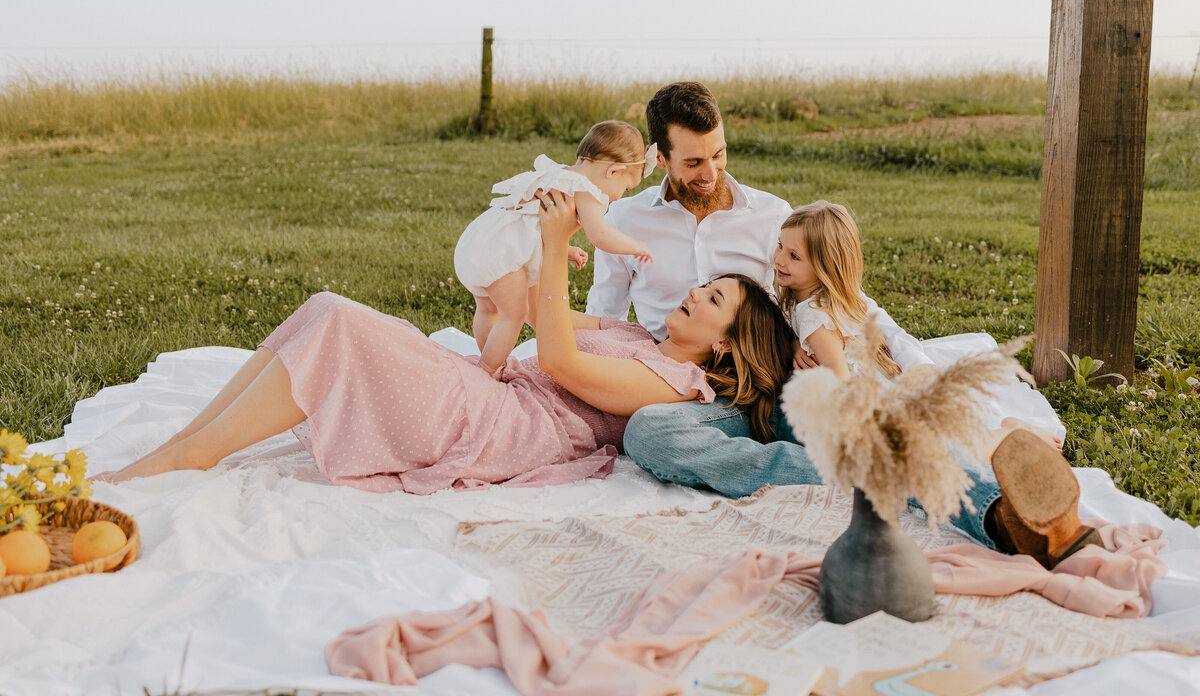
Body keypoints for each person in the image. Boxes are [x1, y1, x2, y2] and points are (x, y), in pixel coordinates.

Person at [589, 81, 1098, 568]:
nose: (711, 172)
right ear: (660, 157)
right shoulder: (626, 220)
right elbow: (605, 314)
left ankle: (1005, 518)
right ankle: (850, 467)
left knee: (871, 423)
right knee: (647, 433)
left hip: (775, 374)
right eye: (694, 162)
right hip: (691, 387)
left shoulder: (770, 215)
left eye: (719, 154)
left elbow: (818, 292)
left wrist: (801, 346)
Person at [100, 189, 797, 496]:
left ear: (726, 349)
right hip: (487, 387)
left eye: (711, 301)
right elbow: (532, 320)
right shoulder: (629, 333)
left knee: (341, 322)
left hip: (501, 426)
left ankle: (193, 454)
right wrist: (508, 276)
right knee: (322, 307)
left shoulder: (673, 389)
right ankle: (187, 445)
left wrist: (556, 251)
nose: (691, 293)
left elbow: (556, 359)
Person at [455, 120, 656, 377]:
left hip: (479, 243)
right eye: (626, 189)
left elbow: (534, 225)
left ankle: (486, 360)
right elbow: (600, 235)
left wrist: (567, 249)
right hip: (504, 257)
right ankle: (487, 370)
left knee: (487, 309)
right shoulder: (587, 191)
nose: (620, 196)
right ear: (614, 171)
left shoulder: (559, 173)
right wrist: (636, 246)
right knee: (514, 316)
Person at [775, 200, 906, 381]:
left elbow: (839, 376)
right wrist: (795, 345)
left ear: (824, 266)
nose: (779, 260)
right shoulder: (825, 299)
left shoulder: (814, 317)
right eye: (780, 245)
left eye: (794, 256)